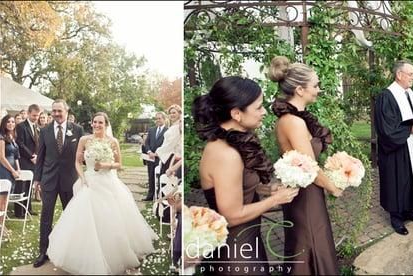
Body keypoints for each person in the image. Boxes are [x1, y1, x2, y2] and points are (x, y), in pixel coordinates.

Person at [193, 76, 299, 274]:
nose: (264, 112)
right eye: (258, 107)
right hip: (236, 254)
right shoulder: (225, 154)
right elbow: (231, 215)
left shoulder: (232, 143)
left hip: (247, 241)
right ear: (236, 113)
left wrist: (265, 188)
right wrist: (275, 200)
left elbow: (237, 186)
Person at [46, 112, 158, 274]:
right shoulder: (85, 140)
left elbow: (119, 164)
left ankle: (114, 253)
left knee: (111, 218)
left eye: (100, 122)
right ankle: (86, 254)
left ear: (106, 124)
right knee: (85, 219)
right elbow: (77, 161)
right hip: (90, 181)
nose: (97, 125)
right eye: (94, 122)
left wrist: (105, 165)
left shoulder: (113, 141)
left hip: (108, 182)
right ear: (91, 124)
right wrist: (82, 177)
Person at [269, 56, 342, 275]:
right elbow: (310, 167)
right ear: (300, 90)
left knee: (308, 241)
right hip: (306, 194)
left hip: (305, 190)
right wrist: (334, 188)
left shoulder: (293, 118)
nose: (319, 89)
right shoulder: (294, 122)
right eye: (316, 85)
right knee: (310, 243)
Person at [374, 60, 413, 236]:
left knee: (410, 178)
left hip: (412, 144)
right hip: (396, 149)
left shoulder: (411, 93)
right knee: (397, 181)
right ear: (399, 75)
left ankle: (409, 211)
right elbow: (386, 128)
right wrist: (409, 129)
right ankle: (396, 218)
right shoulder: (387, 96)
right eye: (411, 74)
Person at [32, 100, 84, 268]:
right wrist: (37, 179)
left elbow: (82, 156)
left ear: (66, 111)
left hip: (69, 180)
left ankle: (70, 250)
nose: (56, 114)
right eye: (53, 111)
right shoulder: (45, 130)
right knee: (46, 216)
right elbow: (40, 157)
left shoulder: (77, 130)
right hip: (49, 179)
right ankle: (43, 251)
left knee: (70, 217)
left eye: (59, 111)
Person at [15, 104, 42, 217]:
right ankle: (19, 212)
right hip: (24, 160)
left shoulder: (37, 127)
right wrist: (31, 156)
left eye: (37, 115)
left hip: (34, 161)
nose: (36, 118)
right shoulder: (21, 126)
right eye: (34, 115)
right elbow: (20, 144)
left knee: (29, 187)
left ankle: (28, 209)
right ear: (28, 113)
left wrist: (38, 156)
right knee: (21, 187)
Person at [0, 114, 21, 239]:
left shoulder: (12, 136)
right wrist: (13, 170)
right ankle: (2, 227)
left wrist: (18, 169)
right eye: (8, 121)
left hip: (12, 171)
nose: (11, 124)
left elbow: (16, 155)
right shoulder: (1, 137)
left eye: (13, 121)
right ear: (4, 123)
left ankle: (2, 224)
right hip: (4, 170)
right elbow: (2, 157)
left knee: (6, 200)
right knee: (2, 201)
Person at [142, 112, 167, 201]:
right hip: (150, 158)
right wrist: (149, 152)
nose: (157, 120)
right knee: (151, 177)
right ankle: (150, 195)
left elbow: (166, 145)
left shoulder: (167, 131)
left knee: (162, 178)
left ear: (164, 119)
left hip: (161, 158)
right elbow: (147, 142)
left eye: (159, 118)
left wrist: (157, 154)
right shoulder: (151, 130)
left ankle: (160, 196)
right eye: (156, 119)